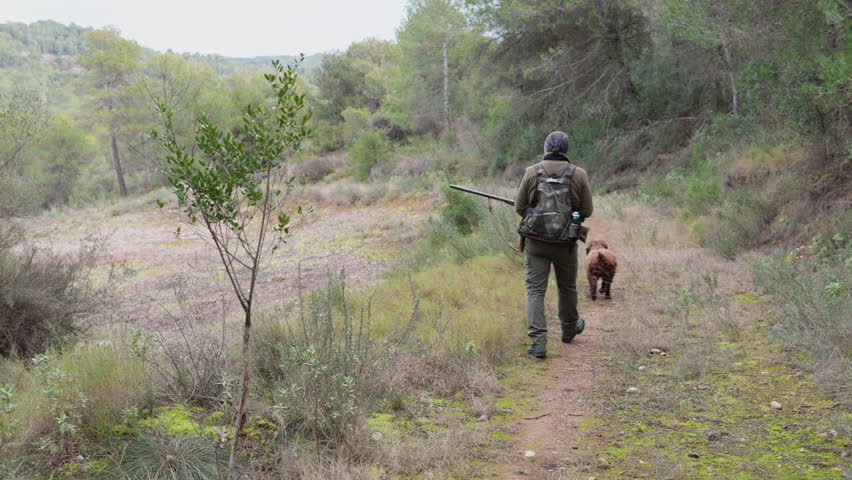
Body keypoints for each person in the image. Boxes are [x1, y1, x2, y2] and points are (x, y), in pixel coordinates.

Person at [514, 131, 594, 359]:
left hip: (536, 243)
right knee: (567, 287)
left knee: (535, 291)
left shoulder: (532, 172)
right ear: (566, 149)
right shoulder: (579, 174)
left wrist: (536, 213)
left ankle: (538, 343)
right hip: (566, 243)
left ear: (546, 147)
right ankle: (569, 329)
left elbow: (519, 207)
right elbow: (587, 211)